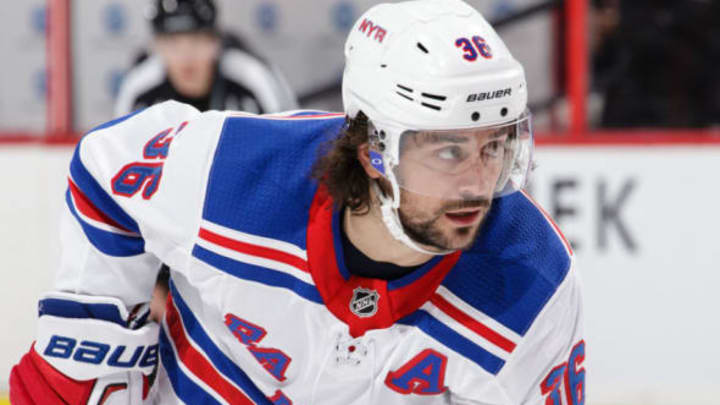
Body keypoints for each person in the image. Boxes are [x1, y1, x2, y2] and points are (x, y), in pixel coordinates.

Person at [10, 1, 585, 403]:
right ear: (371, 147)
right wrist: (90, 359)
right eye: (447, 151)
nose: (477, 184)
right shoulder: (232, 174)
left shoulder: (534, 286)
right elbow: (107, 169)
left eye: (497, 147)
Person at [114, 0, 297, 117]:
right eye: (172, 43)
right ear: (155, 47)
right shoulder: (139, 90)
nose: (186, 56)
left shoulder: (252, 78)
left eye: (197, 40)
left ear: (217, 41)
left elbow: (291, 144)